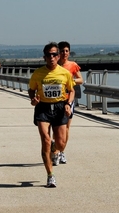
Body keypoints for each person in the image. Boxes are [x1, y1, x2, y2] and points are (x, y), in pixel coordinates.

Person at [28, 42, 75, 188]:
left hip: (60, 107)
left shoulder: (65, 73)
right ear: (44, 57)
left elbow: (71, 90)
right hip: (43, 108)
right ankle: (50, 175)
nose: (52, 57)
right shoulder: (38, 73)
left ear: (59, 56)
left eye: (54, 54)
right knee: (45, 139)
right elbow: (31, 89)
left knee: (61, 143)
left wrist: (68, 104)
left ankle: (56, 148)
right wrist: (33, 98)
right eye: (48, 55)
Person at [56, 41, 83, 165]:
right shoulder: (54, 65)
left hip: (69, 99)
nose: (64, 53)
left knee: (66, 127)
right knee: (56, 128)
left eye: (66, 51)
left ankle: (61, 151)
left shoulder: (72, 65)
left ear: (69, 52)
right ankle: (55, 150)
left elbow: (80, 79)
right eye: (62, 51)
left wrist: (70, 81)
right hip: (56, 99)